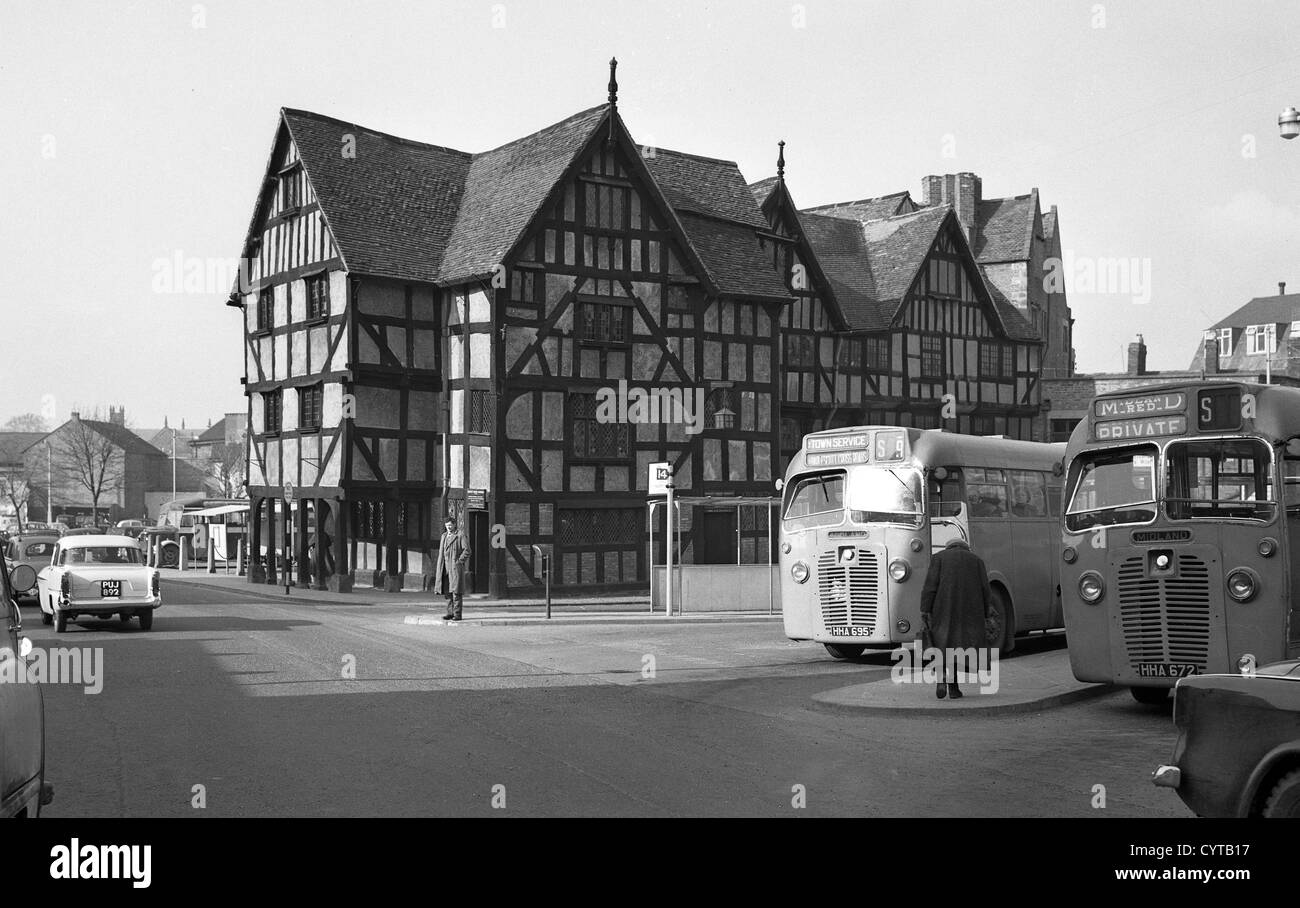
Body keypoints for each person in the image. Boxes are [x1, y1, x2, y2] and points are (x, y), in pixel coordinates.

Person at [919, 538, 996, 700]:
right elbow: (985, 590)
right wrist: (986, 613)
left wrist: (925, 610)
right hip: (969, 614)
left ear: (948, 547)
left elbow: (930, 587)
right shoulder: (977, 561)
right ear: (966, 548)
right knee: (958, 648)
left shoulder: (938, 558)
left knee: (942, 645)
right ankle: (954, 689)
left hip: (943, 612)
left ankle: (942, 680)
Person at [433, 517, 470, 621]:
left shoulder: (460, 535)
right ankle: (450, 613)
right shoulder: (444, 536)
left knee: (456, 592)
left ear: (454, 525)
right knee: (447, 592)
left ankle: (457, 614)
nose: (448, 527)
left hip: (455, 568)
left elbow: (467, 550)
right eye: (447, 525)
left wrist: (459, 562)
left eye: (450, 525)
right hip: (444, 568)